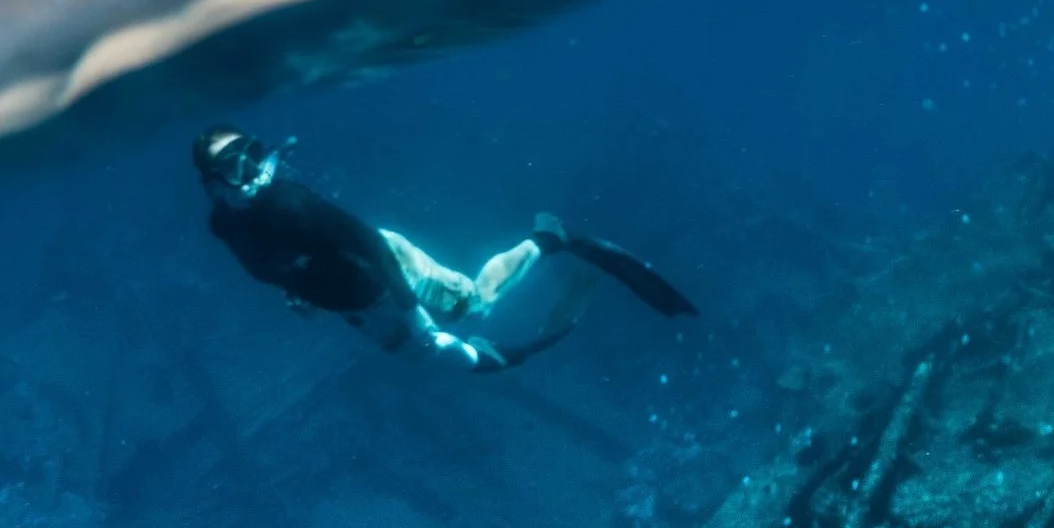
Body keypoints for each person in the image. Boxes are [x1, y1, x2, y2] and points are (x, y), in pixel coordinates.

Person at [192, 126, 696, 371]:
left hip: (387, 270)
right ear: (213, 183)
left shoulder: (290, 203)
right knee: (433, 360)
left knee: (477, 304)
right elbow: (281, 261)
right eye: (234, 163)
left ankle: (549, 238)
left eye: (252, 153)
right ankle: (488, 354)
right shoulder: (226, 226)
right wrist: (297, 289)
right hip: (356, 304)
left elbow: (367, 244)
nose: (251, 168)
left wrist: (412, 313)